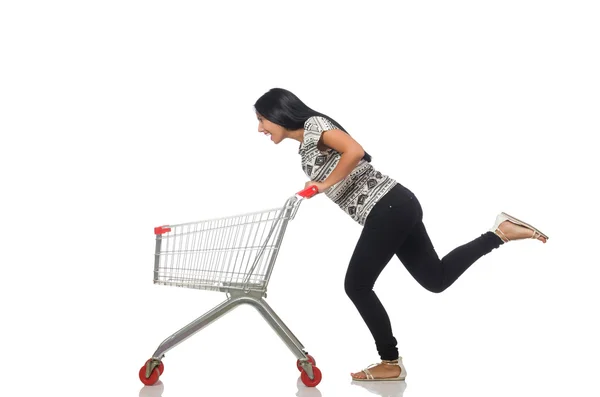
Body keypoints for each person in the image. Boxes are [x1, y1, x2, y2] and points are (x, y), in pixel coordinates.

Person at [253, 88, 549, 381]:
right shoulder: (305, 144)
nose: (260, 128)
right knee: (436, 279)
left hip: (388, 208)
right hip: (395, 206)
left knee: (356, 286)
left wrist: (321, 184)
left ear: (279, 113)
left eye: (262, 119)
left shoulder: (314, 126)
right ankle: (500, 233)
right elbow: (341, 165)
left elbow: (354, 151)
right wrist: (320, 184)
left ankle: (390, 361)